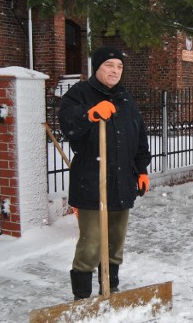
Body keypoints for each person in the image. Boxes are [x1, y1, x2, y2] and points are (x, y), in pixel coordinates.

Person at [58, 45, 152, 300]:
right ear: (97, 68)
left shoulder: (125, 99)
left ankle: (110, 291)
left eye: (119, 66)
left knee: (114, 243)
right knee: (91, 244)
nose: (115, 70)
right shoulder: (79, 94)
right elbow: (67, 123)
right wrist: (88, 114)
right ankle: (82, 298)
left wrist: (141, 170)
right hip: (91, 181)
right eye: (110, 65)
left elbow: (139, 136)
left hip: (122, 182)